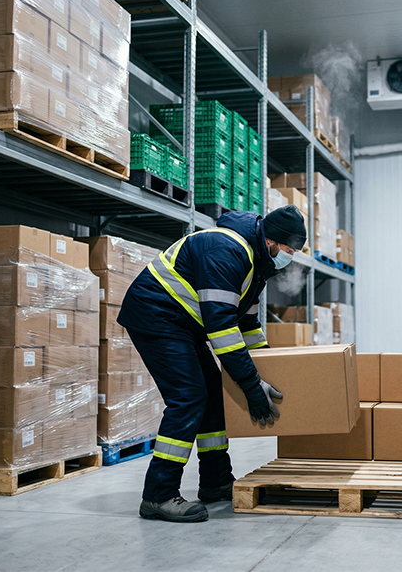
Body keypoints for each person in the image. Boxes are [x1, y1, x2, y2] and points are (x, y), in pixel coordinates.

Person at [117, 205, 307, 523]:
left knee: (212, 398)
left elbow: (247, 324)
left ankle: (216, 482)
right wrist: (250, 383)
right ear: (272, 242)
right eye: (289, 250)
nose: (290, 258)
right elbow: (222, 328)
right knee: (189, 398)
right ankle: (158, 495)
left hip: (184, 324)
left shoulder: (258, 264)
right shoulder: (228, 249)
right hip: (157, 314)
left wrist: (270, 368)